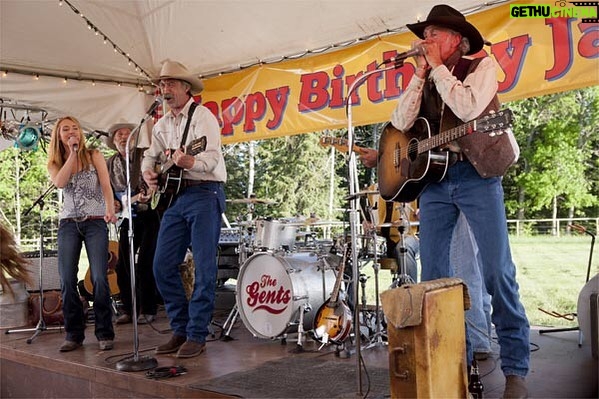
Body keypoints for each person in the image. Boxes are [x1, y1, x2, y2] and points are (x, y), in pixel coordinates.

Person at [389, 5, 529, 397]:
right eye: (425, 34)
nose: (425, 41)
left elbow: (468, 107)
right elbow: (401, 123)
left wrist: (435, 69)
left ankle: (516, 368)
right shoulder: (429, 75)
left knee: (497, 271)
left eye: (434, 34)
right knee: (433, 278)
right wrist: (420, 73)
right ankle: (453, 360)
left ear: (457, 40)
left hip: (477, 175)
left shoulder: (482, 67)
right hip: (436, 182)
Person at [142, 60, 226, 359]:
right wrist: (149, 173)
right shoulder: (161, 124)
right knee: (161, 265)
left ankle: (197, 334)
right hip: (175, 198)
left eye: (171, 84)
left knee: (204, 268)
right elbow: (150, 157)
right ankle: (180, 328)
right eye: (162, 84)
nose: (165, 89)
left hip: (204, 192)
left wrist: (192, 162)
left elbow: (212, 157)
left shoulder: (203, 117)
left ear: (185, 88)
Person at [47, 116, 117, 352]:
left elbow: (106, 185)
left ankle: (104, 332)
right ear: (59, 135)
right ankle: (74, 333)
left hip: (96, 221)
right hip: (68, 223)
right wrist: (72, 153)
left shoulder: (94, 154)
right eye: (65, 129)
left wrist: (110, 209)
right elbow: (60, 182)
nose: (71, 131)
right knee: (67, 278)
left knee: (99, 276)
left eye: (74, 128)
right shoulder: (55, 161)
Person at [105, 121, 160, 325]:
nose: (123, 136)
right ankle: (128, 309)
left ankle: (149, 308)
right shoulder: (109, 163)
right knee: (122, 264)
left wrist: (149, 192)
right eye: (119, 134)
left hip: (149, 214)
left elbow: (157, 179)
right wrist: (115, 204)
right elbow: (107, 189)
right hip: (127, 217)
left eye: (128, 133)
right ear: (113, 140)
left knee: (146, 261)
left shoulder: (144, 156)